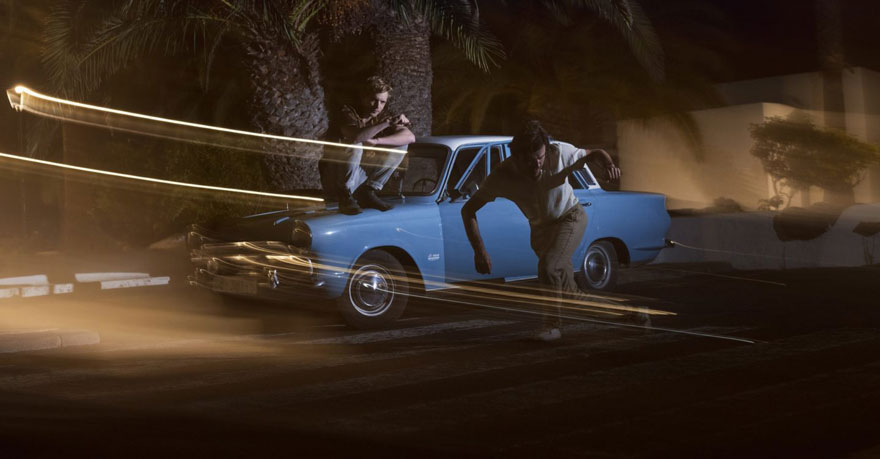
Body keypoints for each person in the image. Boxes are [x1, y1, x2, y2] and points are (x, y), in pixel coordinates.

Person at [461, 120, 621, 341]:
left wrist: (609, 165)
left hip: (570, 218)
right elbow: (468, 210)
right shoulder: (502, 175)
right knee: (571, 296)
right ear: (516, 158)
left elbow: (595, 153)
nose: (537, 165)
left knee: (548, 267)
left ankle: (552, 327)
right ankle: (633, 315)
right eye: (529, 161)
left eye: (540, 157)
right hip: (540, 231)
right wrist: (479, 251)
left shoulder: (560, 153)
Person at [321, 76, 416, 215]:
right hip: (335, 178)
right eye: (373, 100)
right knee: (356, 145)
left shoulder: (381, 117)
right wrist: (387, 123)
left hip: (358, 177)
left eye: (382, 102)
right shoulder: (347, 112)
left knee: (401, 145)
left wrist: (377, 141)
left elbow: (410, 137)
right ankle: (344, 195)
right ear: (363, 97)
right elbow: (356, 137)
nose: (377, 106)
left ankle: (368, 190)